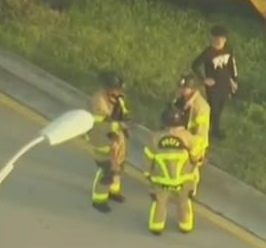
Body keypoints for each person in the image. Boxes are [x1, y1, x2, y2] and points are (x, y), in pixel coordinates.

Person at [143, 106, 199, 235]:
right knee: (184, 203)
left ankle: (156, 227)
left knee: (160, 204)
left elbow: (149, 157)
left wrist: (147, 174)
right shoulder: (188, 137)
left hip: (161, 181)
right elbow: (196, 157)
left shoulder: (155, 138)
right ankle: (185, 226)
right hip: (184, 181)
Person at [190, 25, 239, 140]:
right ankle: (211, 130)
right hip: (213, 86)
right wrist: (203, 79)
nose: (220, 41)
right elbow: (195, 65)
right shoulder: (208, 52)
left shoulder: (228, 49)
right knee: (214, 107)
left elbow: (232, 66)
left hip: (225, 83)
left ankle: (214, 128)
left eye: (222, 38)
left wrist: (234, 80)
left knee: (221, 107)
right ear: (213, 38)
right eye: (217, 38)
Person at [89, 73, 130, 207]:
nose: (119, 91)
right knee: (107, 169)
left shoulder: (118, 98)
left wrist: (126, 121)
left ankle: (113, 191)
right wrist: (119, 124)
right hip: (102, 138)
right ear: (108, 87)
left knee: (118, 165)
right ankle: (99, 199)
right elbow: (102, 122)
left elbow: (122, 113)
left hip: (117, 138)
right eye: (117, 89)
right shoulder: (99, 100)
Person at [173, 75, 211, 196]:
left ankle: (191, 190)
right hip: (181, 135)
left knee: (192, 167)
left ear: (194, 89)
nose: (183, 91)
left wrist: (198, 149)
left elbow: (202, 131)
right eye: (183, 88)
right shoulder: (180, 99)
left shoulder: (202, 107)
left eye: (186, 88)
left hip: (194, 140)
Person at [90, 130, 128, 212]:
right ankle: (98, 201)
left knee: (117, 169)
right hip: (106, 139)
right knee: (106, 172)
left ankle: (112, 192)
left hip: (116, 135)